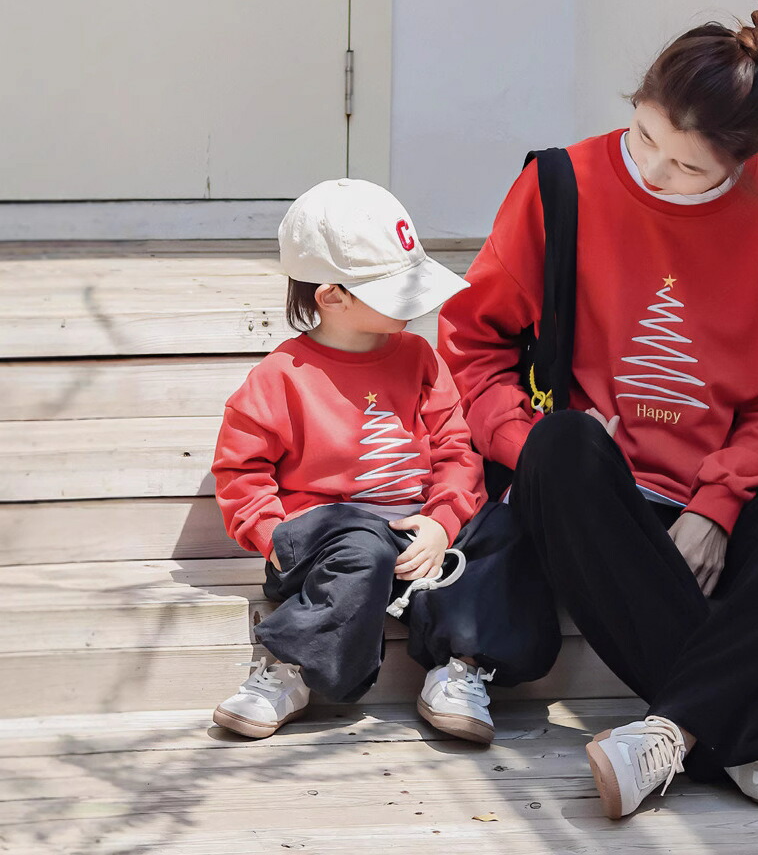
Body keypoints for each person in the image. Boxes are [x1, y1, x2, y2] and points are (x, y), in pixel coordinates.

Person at [438, 0, 758, 815]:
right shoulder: (562, 184)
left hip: (711, 507)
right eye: (643, 136)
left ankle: (672, 731)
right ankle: (745, 736)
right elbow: (475, 343)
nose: (652, 171)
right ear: (637, 100)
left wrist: (717, 504)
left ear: (745, 160)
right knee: (563, 444)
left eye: (686, 166)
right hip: (587, 493)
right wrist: (526, 441)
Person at [211, 179, 560, 742]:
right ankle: (292, 669)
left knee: (506, 526)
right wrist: (274, 539)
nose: (417, 302)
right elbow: (241, 472)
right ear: (332, 297)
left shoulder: (420, 358)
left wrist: (442, 522)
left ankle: (460, 668)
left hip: (416, 539)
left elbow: (455, 449)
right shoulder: (280, 377)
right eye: (395, 290)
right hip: (328, 546)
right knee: (361, 545)